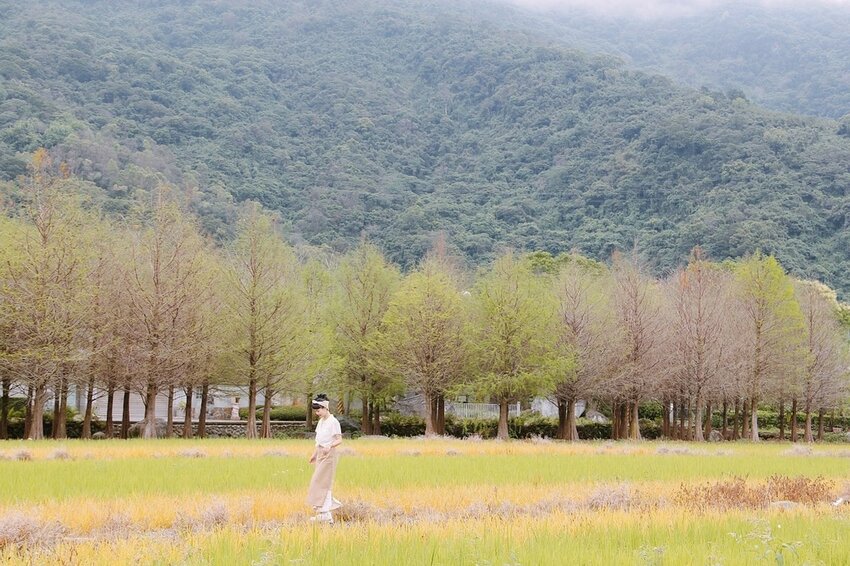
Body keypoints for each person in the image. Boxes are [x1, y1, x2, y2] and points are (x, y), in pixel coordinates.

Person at [306, 394, 343, 524]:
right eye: (316, 411)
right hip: (321, 453)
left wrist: (329, 446)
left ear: (325, 408)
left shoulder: (333, 422)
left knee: (323, 483)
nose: (317, 413)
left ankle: (325, 513)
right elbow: (318, 441)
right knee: (318, 482)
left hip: (329, 455)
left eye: (318, 410)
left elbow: (339, 440)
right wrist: (314, 454)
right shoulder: (321, 422)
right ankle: (324, 512)